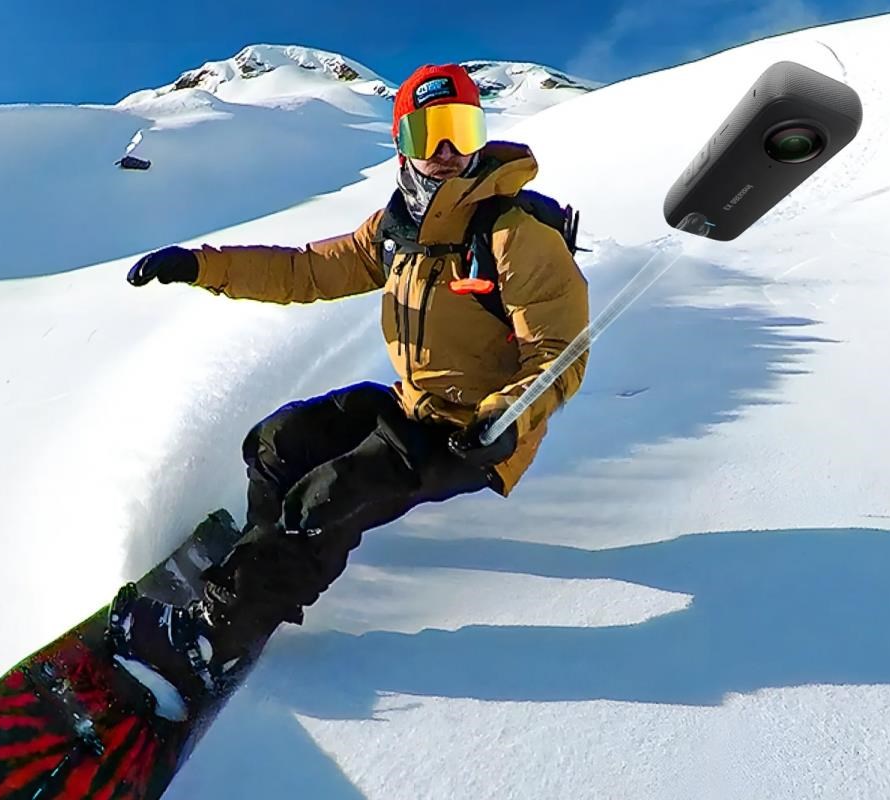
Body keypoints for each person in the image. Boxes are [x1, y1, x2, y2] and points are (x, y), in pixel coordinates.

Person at [108, 63, 590, 696]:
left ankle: (213, 639)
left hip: (474, 433)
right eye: (430, 133)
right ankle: (258, 564)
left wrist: (505, 417)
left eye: (462, 130)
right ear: (402, 144)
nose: (447, 151)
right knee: (277, 443)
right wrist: (201, 266)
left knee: (324, 502)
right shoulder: (398, 231)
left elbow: (560, 351)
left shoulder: (512, 234)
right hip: (413, 406)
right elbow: (305, 271)